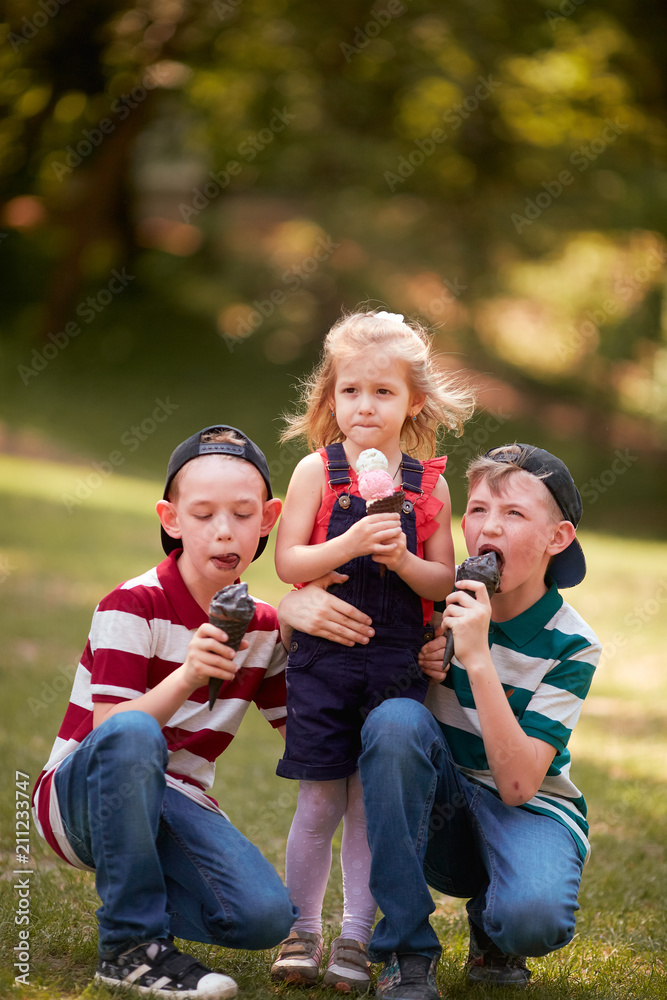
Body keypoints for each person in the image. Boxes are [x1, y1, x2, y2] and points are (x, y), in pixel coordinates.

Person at [31, 424, 299, 1000]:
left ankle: (143, 902)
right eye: (203, 515)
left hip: (176, 800)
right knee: (133, 732)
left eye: (242, 514)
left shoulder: (265, 627)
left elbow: (304, 736)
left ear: (269, 518)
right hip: (82, 796)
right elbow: (114, 734)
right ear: (171, 519)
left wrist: (322, 635)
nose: (224, 530)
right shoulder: (133, 604)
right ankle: (129, 947)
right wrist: (189, 675)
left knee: (264, 918)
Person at [269, 310, 475, 991]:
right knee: (319, 802)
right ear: (330, 397)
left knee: (367, 808)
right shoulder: (314, 472)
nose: (364, 405)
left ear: (412, 401)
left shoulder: (429, 486)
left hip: (392, 665)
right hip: (324, 665)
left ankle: (356, 935)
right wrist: (350, 545)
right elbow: (289, 559)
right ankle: (301, 930)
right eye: (350, 390)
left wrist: (406, 560)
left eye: (382, 392)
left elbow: (443, 578)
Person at [357, 443, 602, 998]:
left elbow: (518, 786)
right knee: (395, 722)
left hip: (528, 807)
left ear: (556, 538)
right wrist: (295, 612)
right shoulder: (430, 596)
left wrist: (476, 657)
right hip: (442, 804)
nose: (489, 528)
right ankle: (406, 950)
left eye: (514, 514)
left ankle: (496, 927)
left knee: (533, 920)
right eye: (478, 510)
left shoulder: (573, 645)